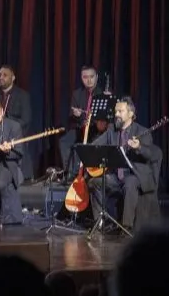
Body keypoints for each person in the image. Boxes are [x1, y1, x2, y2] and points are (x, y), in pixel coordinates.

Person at [88, 97, 162, 232]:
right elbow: (95, 146)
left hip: (135, 174)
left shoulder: (142, 131)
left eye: (120, 111)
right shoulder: (112, 130)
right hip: (116, 177)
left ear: (131, 113)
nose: (116, 114)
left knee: (130, 183)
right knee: (94, 183)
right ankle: (101, 222)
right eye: (116, 111)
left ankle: (126, 226)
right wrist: (86, 150)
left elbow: (151, 154)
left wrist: (139, 147)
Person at [0, 64, 34, 179]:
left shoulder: (23, 95)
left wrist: (7, 122)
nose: (1, 77)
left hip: (13, 134)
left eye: (5, 75)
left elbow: (26, 120)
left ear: (13, 78)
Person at [60, 65, 112, 173]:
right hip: (81, 128)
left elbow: (109, 118)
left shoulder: (103, 93)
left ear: (97, 77)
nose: (88, 80)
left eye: (91, 77)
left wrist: (109, 100)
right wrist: (76, 115)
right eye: (85, 77)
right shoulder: (77, 94)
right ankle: (70, 172)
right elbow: (72, 117)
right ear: (81, 78)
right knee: (64, 141)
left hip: (96, 129)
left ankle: (89, 173)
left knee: (92, 141)